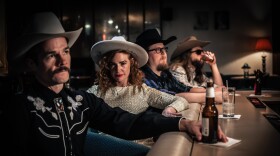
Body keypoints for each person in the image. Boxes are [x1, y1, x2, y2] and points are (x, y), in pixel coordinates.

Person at [3, 12, 227, 156]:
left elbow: (126, 122)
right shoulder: (19, 108)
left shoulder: (81, 100)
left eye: (66, 51)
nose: (63, 61)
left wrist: (183, 125)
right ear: (32, 64)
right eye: (51, 55)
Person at [87, 36, 190, 146]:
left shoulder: (142, 90)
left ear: (131, 63)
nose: (118, 70)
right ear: (107, 66)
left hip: (140, 148)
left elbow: (181, 100)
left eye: (123, 63)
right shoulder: (96, 92)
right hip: (106, 148)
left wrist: (169, 109)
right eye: (113, 64)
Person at [135, 28, 223, 103]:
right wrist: (210, 96)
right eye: (157, 50)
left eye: (164, 49)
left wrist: (214, 91)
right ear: (145, 55)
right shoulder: (142, 77)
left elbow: (185, 89)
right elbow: (164, 97)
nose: (163, 53)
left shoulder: (165, 74)